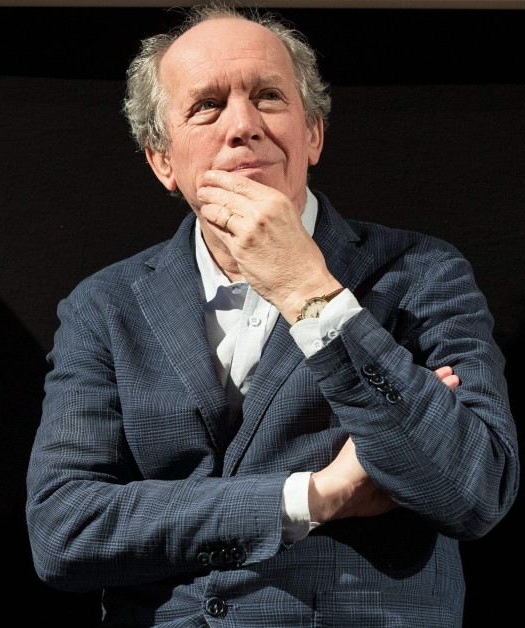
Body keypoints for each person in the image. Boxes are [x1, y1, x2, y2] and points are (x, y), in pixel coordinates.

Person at [26, 5, 518, 626]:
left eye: (268, 97)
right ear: (162, 162)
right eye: (206, 105)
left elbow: (474, 492)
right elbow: (64, 531)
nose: (243, 126)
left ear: (313, 132)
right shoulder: (106, 305)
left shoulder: (424, 273)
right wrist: (314, 497)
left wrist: (308, 290)